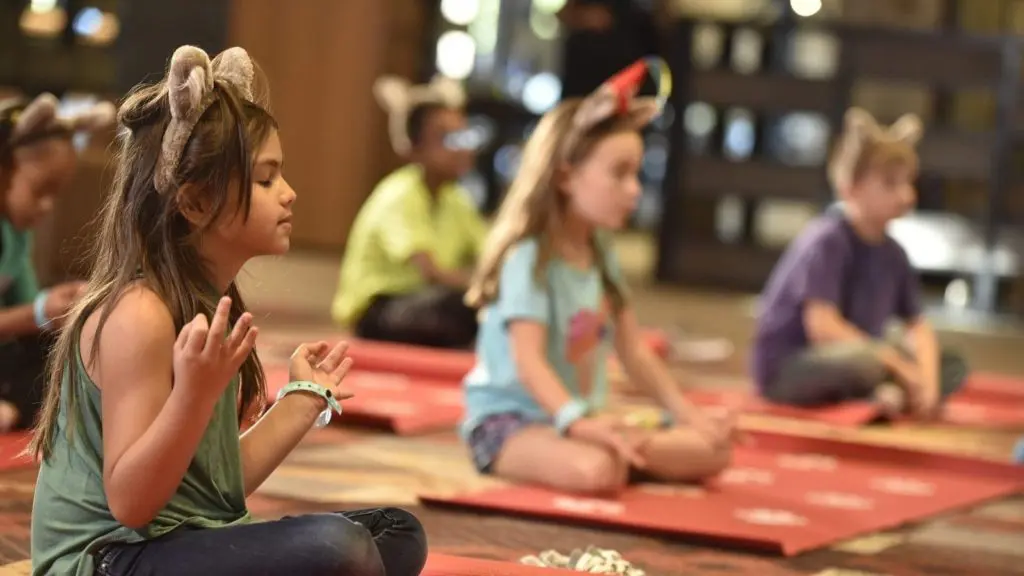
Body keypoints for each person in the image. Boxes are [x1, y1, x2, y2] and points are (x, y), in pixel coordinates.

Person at [29, 46, 428, 576]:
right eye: (266, 180)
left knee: (395, 533)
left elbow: (214, 488)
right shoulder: (139, 315)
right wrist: (194, 395)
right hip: (106, 560)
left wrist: (301, 403)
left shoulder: (206, 301)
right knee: (340, 549)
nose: (288, 194)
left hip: (181, 540)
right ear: (193, 204)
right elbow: (131, 503)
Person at [459, 59, 735, 495]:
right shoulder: (528, 257)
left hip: (580, 418)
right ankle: (619, 452)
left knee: (715, 450)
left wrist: (689, 416)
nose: (635, 190)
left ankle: (623, 449)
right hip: (512, 421)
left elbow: (634, 351)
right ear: (566, 175)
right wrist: (582, 425)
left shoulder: (601, 250)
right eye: (619, 174)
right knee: (595, 471)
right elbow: (529, 363)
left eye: (637, 174)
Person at [751, 107, 967, 419]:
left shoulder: (894, 252)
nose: (906, 195)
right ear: (850, 187)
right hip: (795, 364)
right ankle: (884, 390)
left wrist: (929, 380)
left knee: (949, 364)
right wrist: (897, 364)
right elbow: (822, 327)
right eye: (890, 184)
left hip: (863, 353)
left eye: (908, 182)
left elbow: (917, 325)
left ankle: (891, 393)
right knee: (868, 361)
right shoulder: (827, 240)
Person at [331, 75, 487, 350]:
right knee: (456, 307)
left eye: (463, 136)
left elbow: (489, 253)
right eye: (446, 138)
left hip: (424, 301)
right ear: (414, 145)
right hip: (380, 309)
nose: (461, 148)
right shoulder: (399, 195)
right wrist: (481, 288)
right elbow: (431, 272)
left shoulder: (457, 200)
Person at [0, 93, 115, 432]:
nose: (48, 206)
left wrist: (60, 310)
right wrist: (38, 313)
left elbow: (26, 310)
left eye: (56, 193)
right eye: (40, 190)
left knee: (57, 355)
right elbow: (27, 314)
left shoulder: (18, 235)